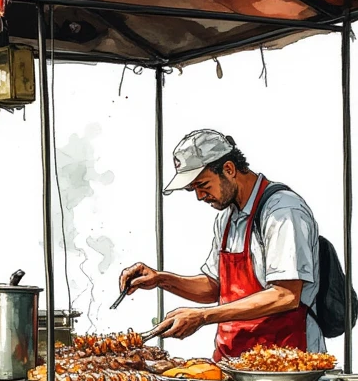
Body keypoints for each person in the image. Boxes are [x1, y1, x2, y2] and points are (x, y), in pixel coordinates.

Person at [120, 129, 325, 359]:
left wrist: (203, 317)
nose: (199, 196)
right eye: (193, 189)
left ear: (228, 169)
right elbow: (215, 287)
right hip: (233, 361)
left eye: (203, 185)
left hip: (285, 359)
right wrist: (161, 279)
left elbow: (285, 294)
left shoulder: (282, 210)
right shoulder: (227, 217)